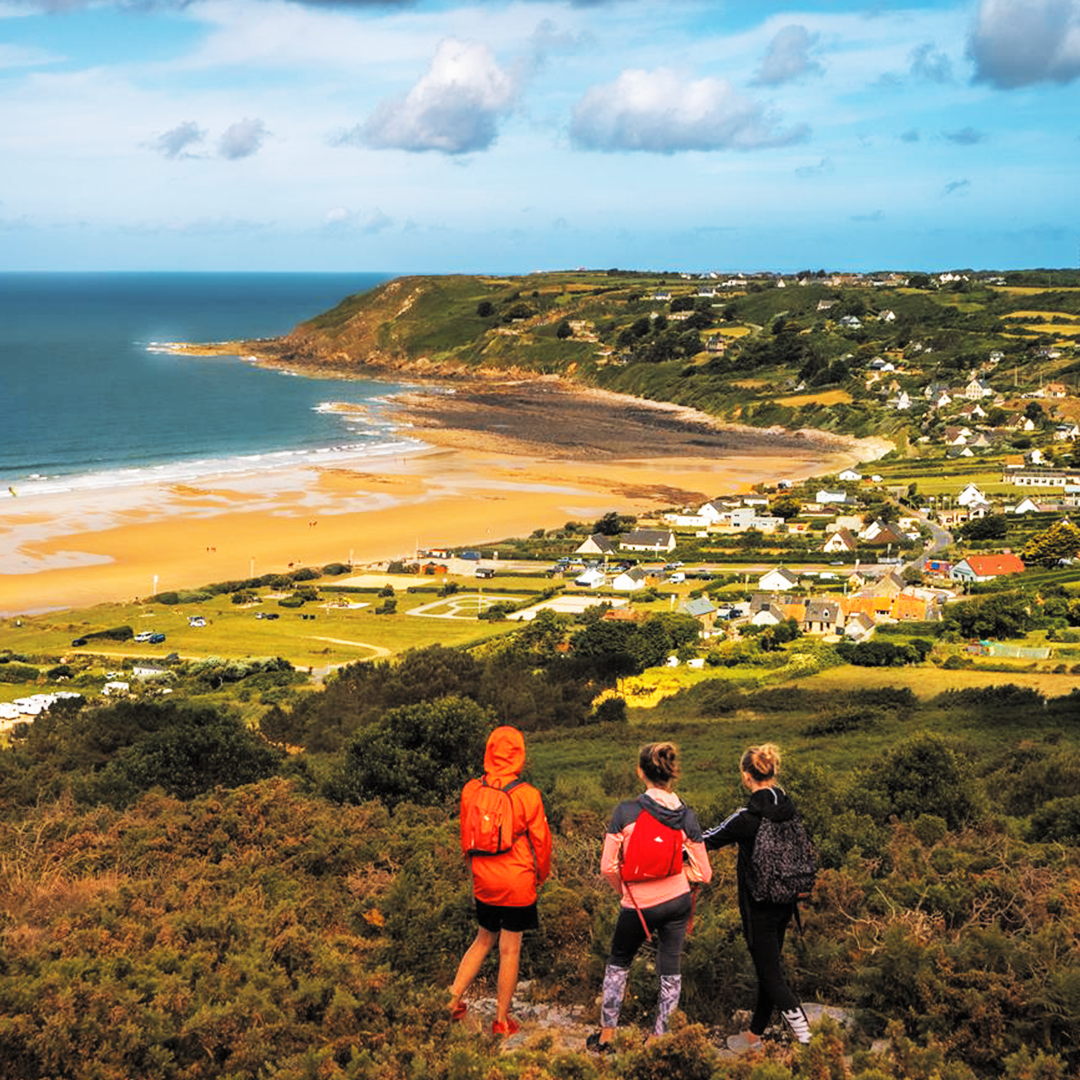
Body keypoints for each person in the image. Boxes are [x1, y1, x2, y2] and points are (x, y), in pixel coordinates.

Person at [589, 742, 712, 1050]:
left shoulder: (626, 811)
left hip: (637, 905)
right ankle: (659, 1037)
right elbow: (704, 873)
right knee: (670, 969)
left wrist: (626, 889)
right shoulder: (687, 816)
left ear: (640, 772)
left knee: (619, 962)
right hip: (677, 902)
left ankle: (606, 1035)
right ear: (672, 774)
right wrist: (676, 874)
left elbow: (608, 866)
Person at [703, 743, 812, 1051]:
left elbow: (705, 841)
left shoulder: (746, 818)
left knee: (771, 976)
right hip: (787, 900)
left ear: (745, 776)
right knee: (770, 968)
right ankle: (754, 1036)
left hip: (759, 905)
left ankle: (808, 1041)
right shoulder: (789, 809)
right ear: (773, 772)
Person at [448, 725, 552, 1037]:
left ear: (489, 751)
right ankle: (502, 1020)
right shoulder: (527, 795)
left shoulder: (471, 790)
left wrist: (474, 870)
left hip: (483, 879)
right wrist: (540, 877)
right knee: (510, 950)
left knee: (482, 940)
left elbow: (465, 835)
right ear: (519, 754)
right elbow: (542, 843)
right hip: (517, 881)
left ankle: (451, 1002)